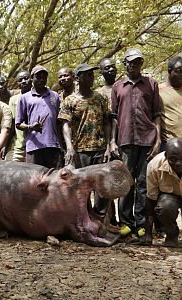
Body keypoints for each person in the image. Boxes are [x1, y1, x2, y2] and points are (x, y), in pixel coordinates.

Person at [110, 48, 161, 238]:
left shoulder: (151, 84)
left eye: (138, 62)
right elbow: (114, 117)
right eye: (131, 62)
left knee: (143, 183)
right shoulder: (118, 87)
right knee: (125, 182)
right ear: (125, 64)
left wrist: (157, 141)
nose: (134, 65)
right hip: (125, 141)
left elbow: (156, 115)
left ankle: (141, 223)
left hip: (147, 140)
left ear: (141, 64)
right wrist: (112, 142)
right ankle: (126, 223)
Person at [58, 63, 111, 168]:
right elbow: (66, 125)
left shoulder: (101, 98)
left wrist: (109, 146)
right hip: (79, 151)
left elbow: (106, 123)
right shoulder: (69, 101)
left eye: (92, 74)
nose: (92, 77)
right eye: (88, 75)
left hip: (100, 150)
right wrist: (69, 147)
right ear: (78, 78)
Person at [16, 65, 62, 169]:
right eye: (38, 76)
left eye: (44, 77)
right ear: (32, 78)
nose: (42, 79)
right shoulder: (25, 98)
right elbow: (18, 124)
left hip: (53, 146)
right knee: (35, 181)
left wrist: (62, 147)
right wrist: (31, 127)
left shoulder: (54, 96)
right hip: (34, 147)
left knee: (55, 180)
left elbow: (59, 122)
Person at [140, 138, 182, 247]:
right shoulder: (154, 166)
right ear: (166, 156)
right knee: (164, 206)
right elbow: (150, 200)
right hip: (170, 198)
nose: (178, 163)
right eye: (173, 159)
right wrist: (148, 234)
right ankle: (172, 235)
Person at [95, 58, 118, 225]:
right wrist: (109, 143)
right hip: (104, 142)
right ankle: (107, 220)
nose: (111, 70)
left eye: (113, 67)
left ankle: (122, 221)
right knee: (104, 182)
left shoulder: (123, 86)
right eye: (106, 68)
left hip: (124, 140)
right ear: (101, 72)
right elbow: (106, 120)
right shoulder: (99, 93)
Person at [5, 70, 32, 162]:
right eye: (20, 80)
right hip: (19, 145)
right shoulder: (13, 100)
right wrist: (5, 145)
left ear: (31, 79)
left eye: (26, 78)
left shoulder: (39, 97)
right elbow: (12, 124)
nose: (24, 81)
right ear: (17, 83)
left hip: (35, 145)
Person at [159, 56, 182, 151]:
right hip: (170, 144)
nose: (181, 74)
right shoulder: (158, 90)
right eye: (179, 71)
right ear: (169, 71)